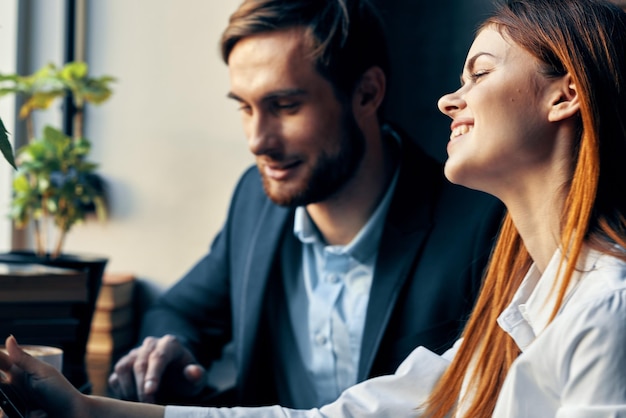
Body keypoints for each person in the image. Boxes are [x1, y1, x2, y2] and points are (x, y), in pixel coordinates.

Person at [2, 0, 626, 416]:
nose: (257, 141)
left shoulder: (589, 297)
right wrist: (90, 408)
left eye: (479, 74)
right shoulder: (525, 300)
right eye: (244, 108)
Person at [103, 0, 503, 410]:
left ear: (367, 93)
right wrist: (174, 352)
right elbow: (179, 311)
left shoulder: (481, 223)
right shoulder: (255, 200)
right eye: (245, 107)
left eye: (285, 106)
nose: (258, 141)